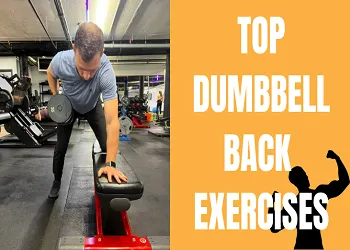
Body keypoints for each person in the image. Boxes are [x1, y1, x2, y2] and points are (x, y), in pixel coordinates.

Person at [46, 22, 128, 199]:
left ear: (102, 53)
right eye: (82, 69)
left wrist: (111, 163)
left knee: (107, 145)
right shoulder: (61, 60)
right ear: (74, 49)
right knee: (60, 147)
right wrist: (56, 97)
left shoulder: (106, 72)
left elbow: (113, 121)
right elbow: (50, 73)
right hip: (69, 106)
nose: (86, 76)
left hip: (92, 105)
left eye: (92, 71)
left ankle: (107, 171)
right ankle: (56, 181)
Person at [268, 150, 349, 249]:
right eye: (303, 175)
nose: (307, 176)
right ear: (298, 180)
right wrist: (337, 159)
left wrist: (272, 204)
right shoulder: (318, 194)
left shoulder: (294, 204)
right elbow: (344, 182)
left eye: (305, 174)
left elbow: (274, 227)